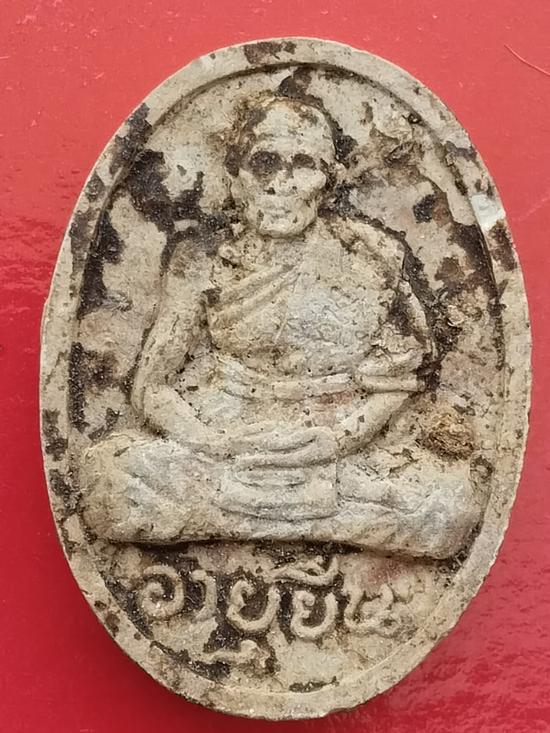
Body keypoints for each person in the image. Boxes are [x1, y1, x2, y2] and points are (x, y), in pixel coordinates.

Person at [80, 96, 479, 559]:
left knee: (447, 506)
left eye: (303, 165)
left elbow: (397, 381)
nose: (281, 183)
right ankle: (311, 522)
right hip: (222, 438)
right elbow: (152, 387)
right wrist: (217, 443)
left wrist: (337, 439)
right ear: (236, 177)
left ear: (328, 182)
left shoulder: (372, 256)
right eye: (264, 163)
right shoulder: (201, 259)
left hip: (336, 448)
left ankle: (242, 520)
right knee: (111, 478)